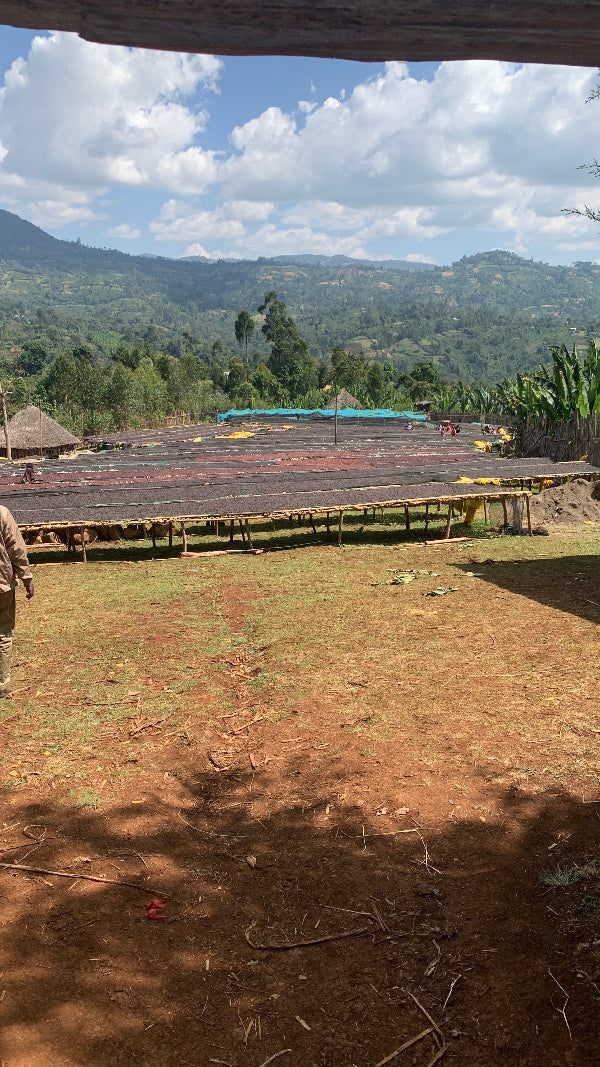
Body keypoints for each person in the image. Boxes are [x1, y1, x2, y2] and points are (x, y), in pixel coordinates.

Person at [0, 506, 34, 697]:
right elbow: (16, 548)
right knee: (3, 631)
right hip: (2, 585)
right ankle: (2, 684)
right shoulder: (2, 513)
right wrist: (26, 577)